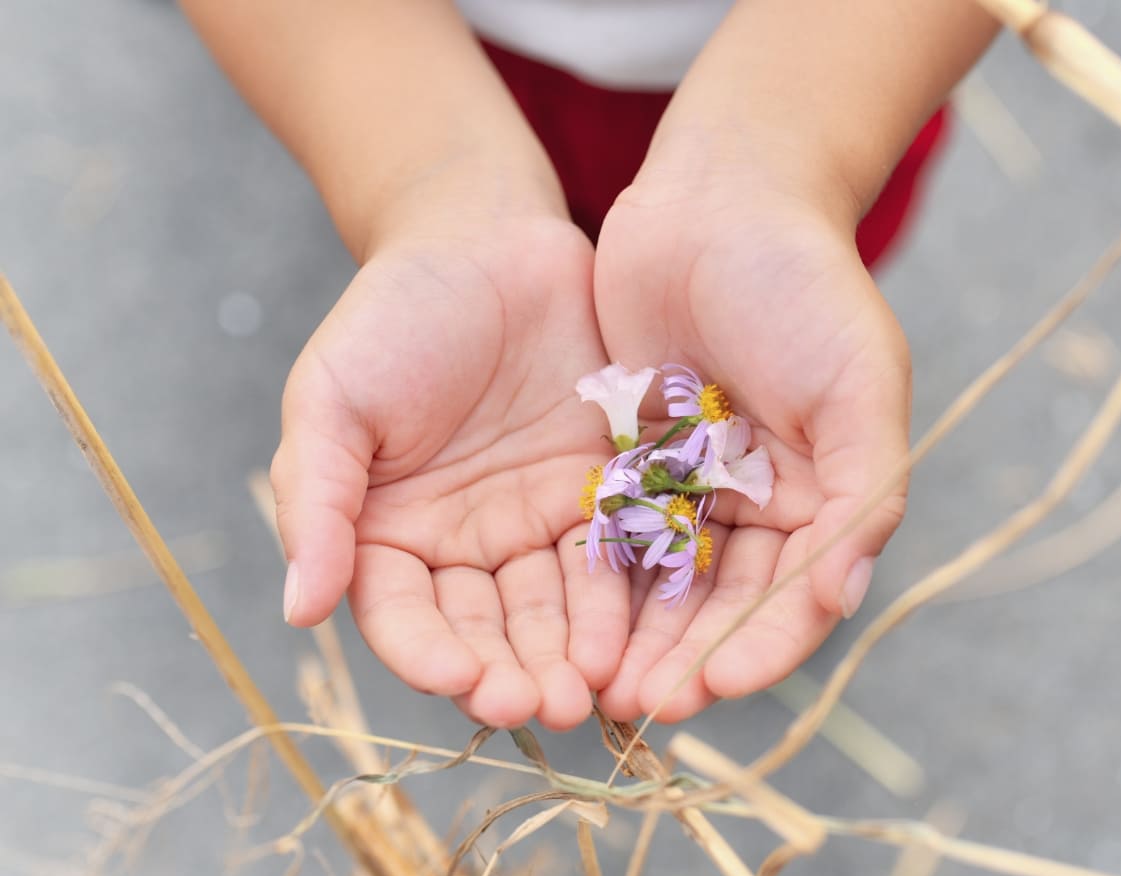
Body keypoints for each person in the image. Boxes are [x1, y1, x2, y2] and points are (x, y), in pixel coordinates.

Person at [179, 0, 1001, 730]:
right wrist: (429, 193)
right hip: (416, 75)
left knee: (806, 286)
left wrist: (786, 170)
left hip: (834, 76)